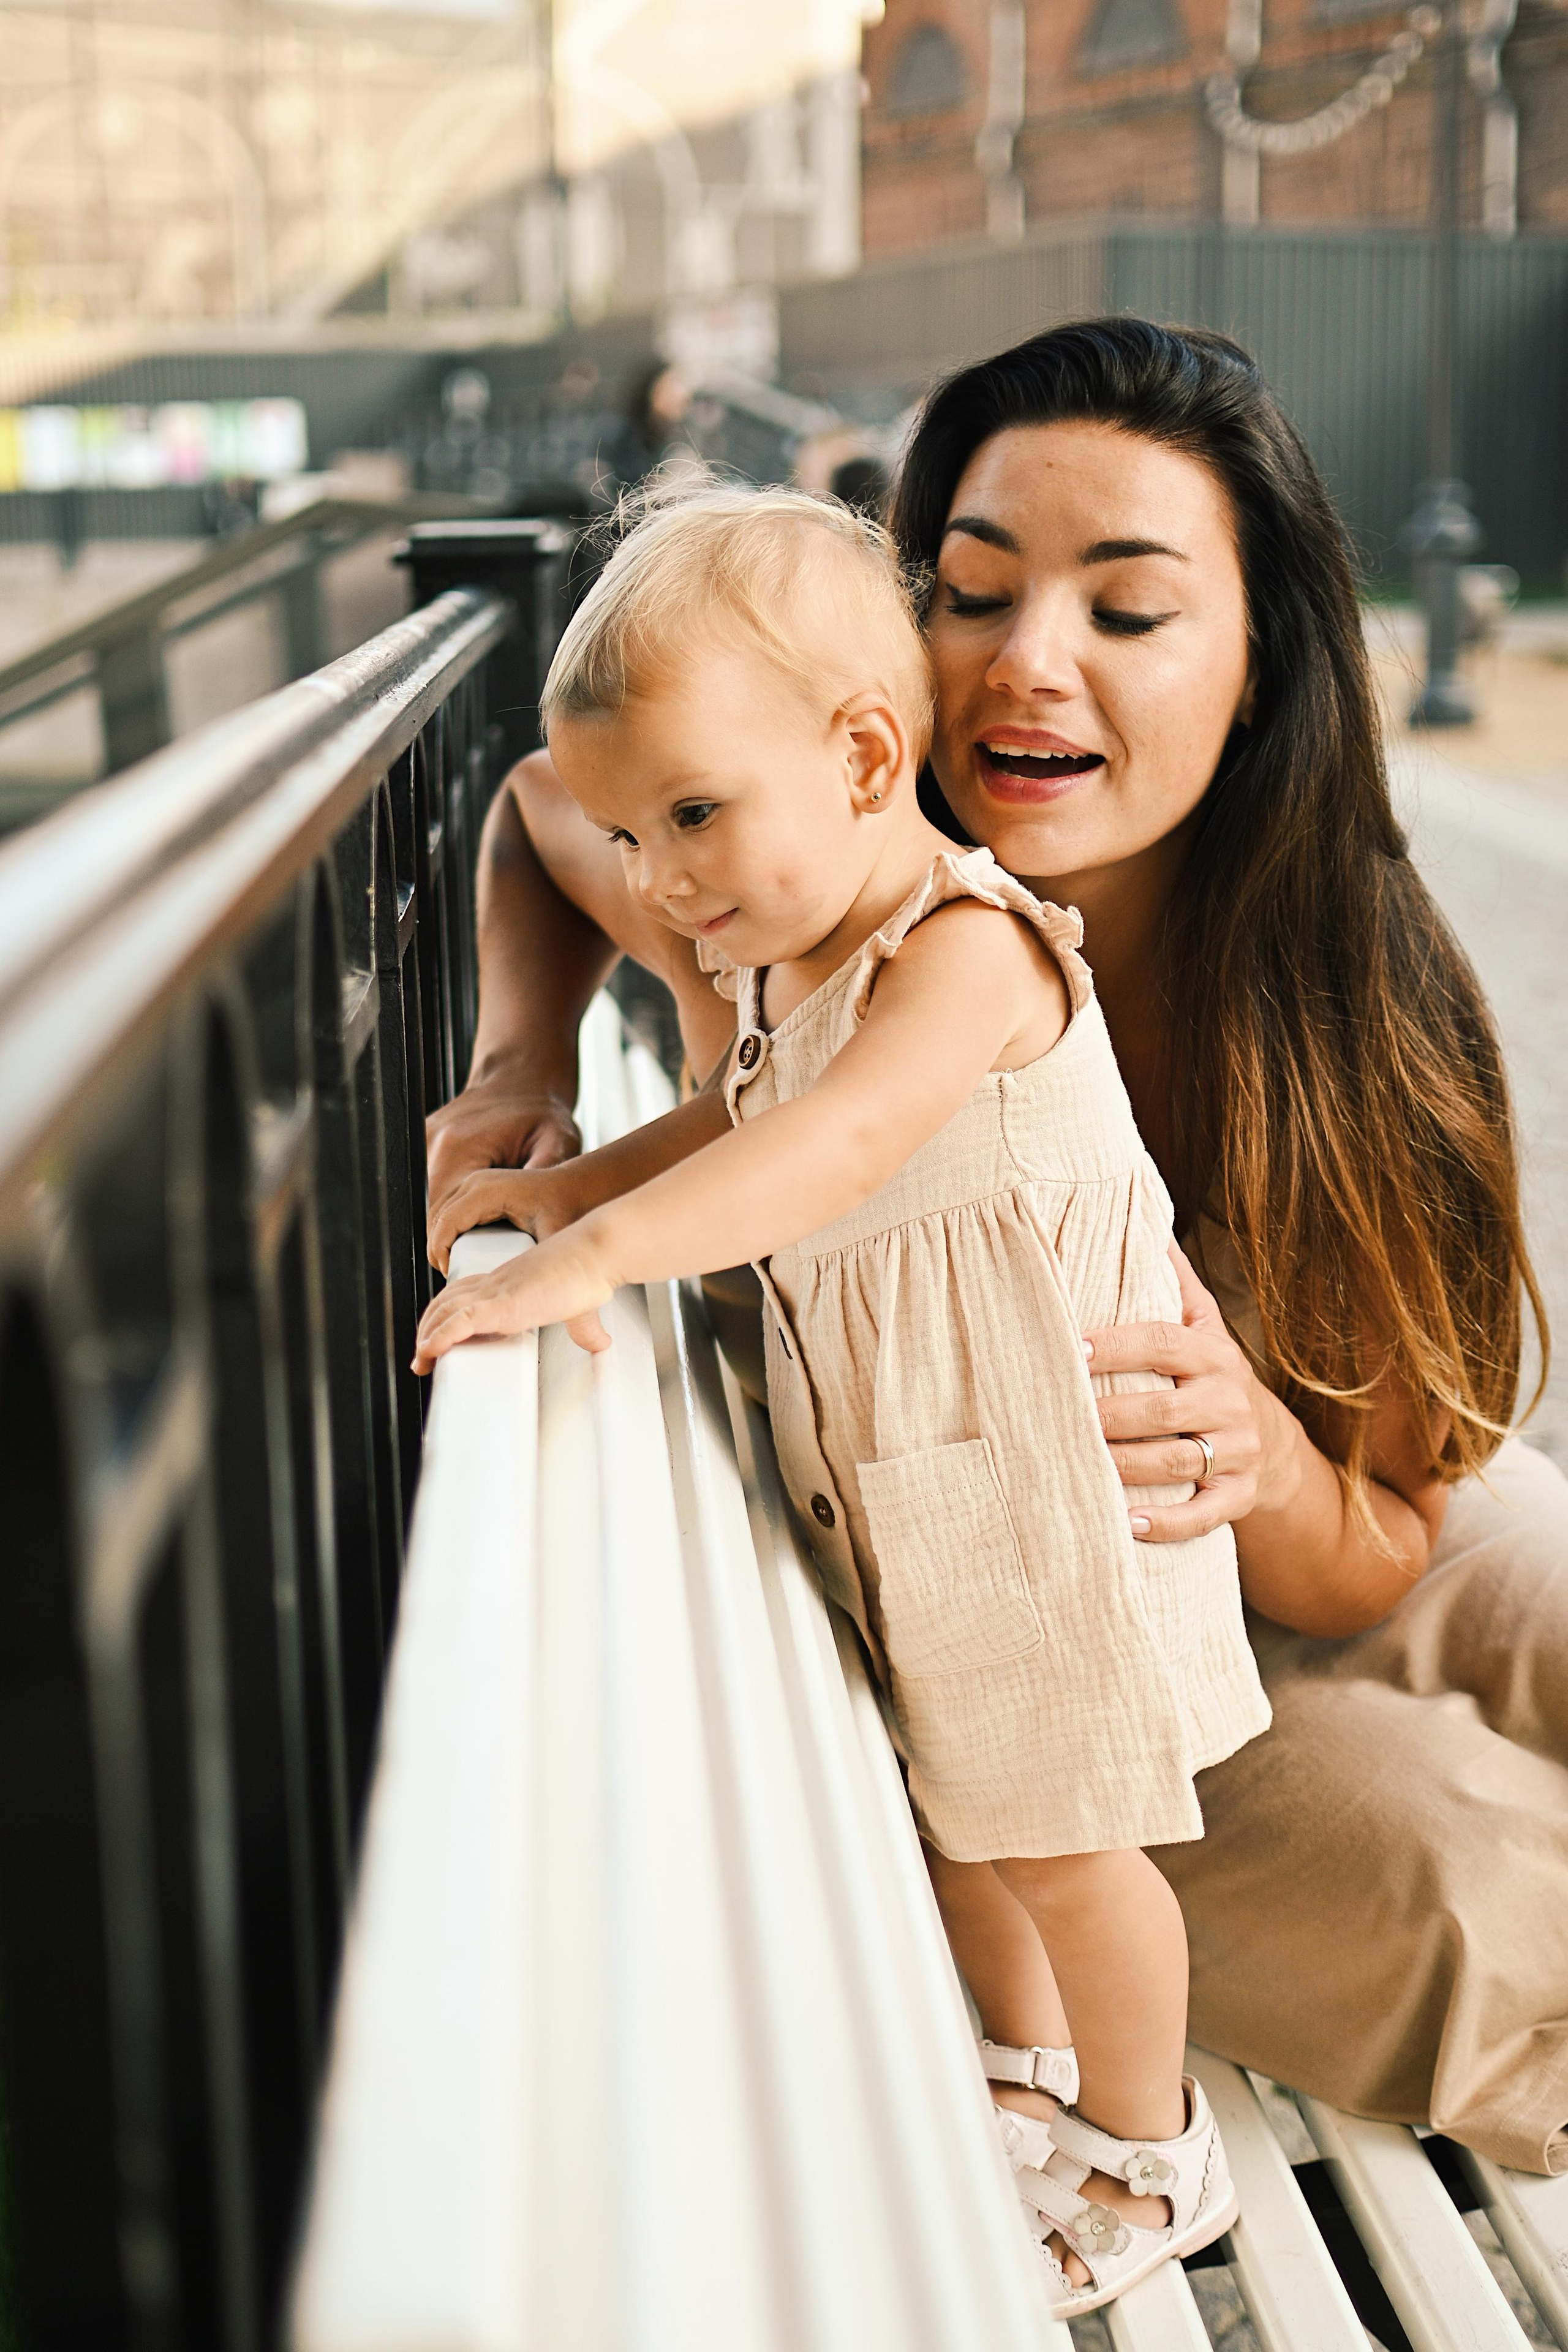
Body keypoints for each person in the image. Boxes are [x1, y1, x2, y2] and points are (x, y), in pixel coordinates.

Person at [426, 318, 1568, 2178]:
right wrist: (518, 1070)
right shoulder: (801, 861)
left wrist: (1263, 1450)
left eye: (1129, 613)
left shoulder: (1357, 1001)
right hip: (1027, 1593)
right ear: (897, 633)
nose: (1030, 662)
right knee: (1476, 1875)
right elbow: (548, 813)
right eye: (971, 589)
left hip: (1306, 1511)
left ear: (1263, 656)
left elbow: (1379, 1547)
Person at [413, 481, 1272, 2315]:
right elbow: (745, 1114)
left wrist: (592, 1262)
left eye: (695, 817)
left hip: (1030, 1471)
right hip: (915, 1465)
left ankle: (1152, 2149)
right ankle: (1030, 2077)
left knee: (1063, 1829)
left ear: (870, 754)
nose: (658, 883)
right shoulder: (797, 969)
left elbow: (838, 1141)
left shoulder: (967, 946)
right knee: (965, 1806)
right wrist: (556, 1192)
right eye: (639, 836)